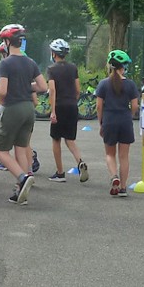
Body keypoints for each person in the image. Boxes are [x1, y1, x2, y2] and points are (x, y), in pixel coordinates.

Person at [0, 24, 47, 205]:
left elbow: (2, 92)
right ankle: (21, 190)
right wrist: (25, 87)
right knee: (21, 148)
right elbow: (43, 87)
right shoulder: (30, 62)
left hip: (13, 108)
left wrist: (4, 100)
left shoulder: (5, 63)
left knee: (1, 151)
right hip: (28, 110)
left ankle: (22, 178)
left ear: (8, 42)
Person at [95, 50, 139, 197]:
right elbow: (134, 106)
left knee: (110, 154)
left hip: (109, 121)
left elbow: (99, 106)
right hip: (125, 121)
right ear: (123, 67)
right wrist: (130, 116)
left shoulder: (103, 84)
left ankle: (114, 176)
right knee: (124, 156)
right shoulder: (131, 85)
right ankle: (123, 187)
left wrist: (101, 123)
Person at [46, 38, 88, 183]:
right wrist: (73, 101)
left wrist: (53, 111)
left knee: (56, 139)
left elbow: (52, 90)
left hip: (59, 106)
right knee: (70, 139)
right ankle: (80, 161)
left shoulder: (51, 69)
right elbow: (78, 89)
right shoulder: (73, 68)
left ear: (54, 53)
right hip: (72, 105)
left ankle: (60, 172)